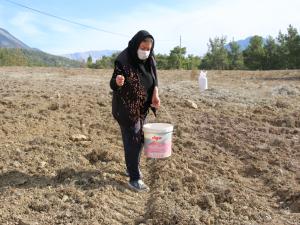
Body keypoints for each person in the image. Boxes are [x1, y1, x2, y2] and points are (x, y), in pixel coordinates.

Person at [110, 30, 160, 192]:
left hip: (142, 108)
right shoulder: (123, 60)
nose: (145, 52)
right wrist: (118, 81)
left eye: (148, 49)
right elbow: (113, 83)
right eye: (143, 47)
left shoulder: (150, 59)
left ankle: (131, 167)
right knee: (134, 138)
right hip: (126, 108)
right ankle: (134, 178)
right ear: (135, 44)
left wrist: (155, 93)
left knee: (135, 138)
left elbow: (154, 78)